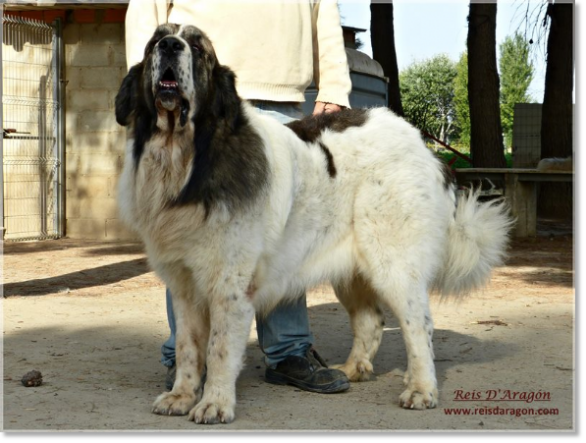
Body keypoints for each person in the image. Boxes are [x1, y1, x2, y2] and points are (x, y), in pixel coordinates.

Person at [124, 0, 352, 394]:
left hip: (280, 99)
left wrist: (334, 84)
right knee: (186, 231)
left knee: (283, 236)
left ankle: (288, 351)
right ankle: (188, 360)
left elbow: (324, 7)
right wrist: (146, 81)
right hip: (199, 90)